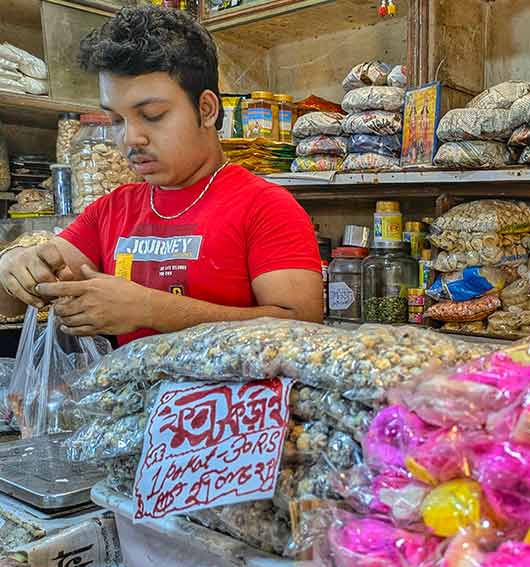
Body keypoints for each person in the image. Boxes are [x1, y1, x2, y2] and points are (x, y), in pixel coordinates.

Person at [0, 6, 324, 345]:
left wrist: (153, 310)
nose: (130, 138)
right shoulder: (113, 210)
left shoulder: (266, 207)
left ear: (207, 109)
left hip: (228, 399)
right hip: (134, 398)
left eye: (152, 115)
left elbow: (302, 327)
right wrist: (13, 263)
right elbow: (37, 277)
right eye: (117, 120)